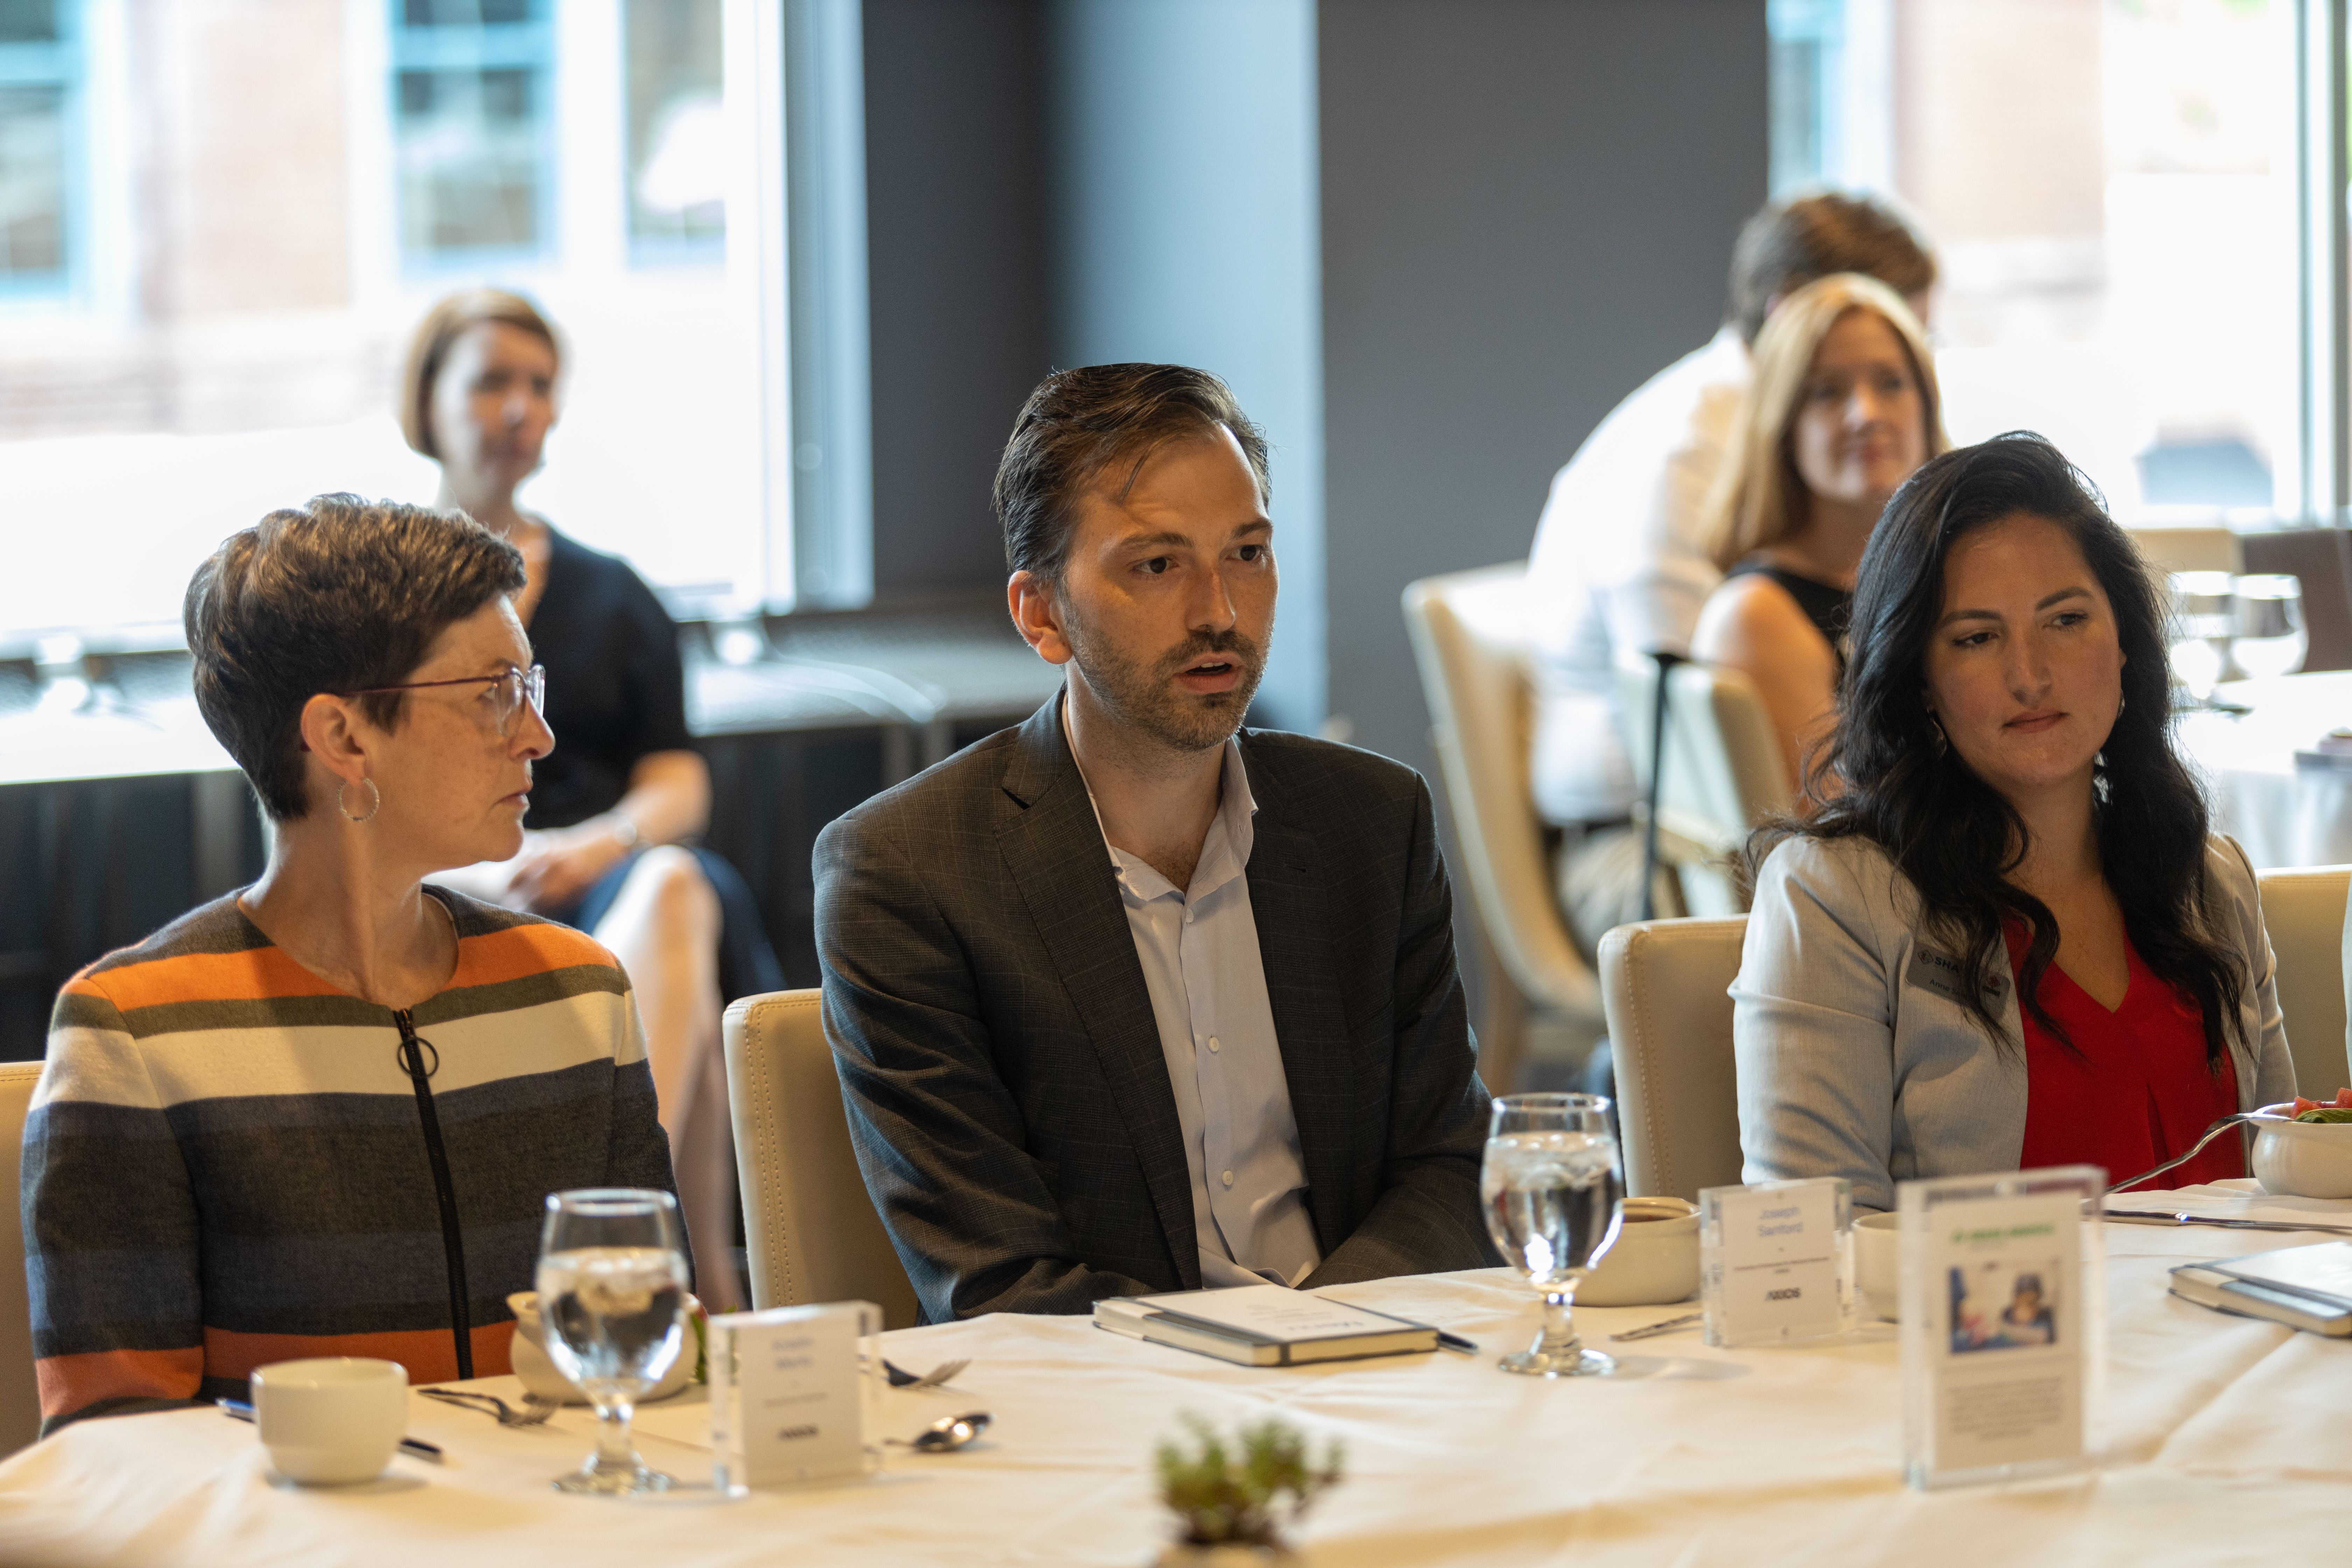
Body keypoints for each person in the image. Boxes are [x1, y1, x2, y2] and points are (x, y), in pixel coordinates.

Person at [814, 364, 1498, 1321]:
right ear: (1041, 614)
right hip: (1114, 1425)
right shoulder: (910, 874)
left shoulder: (1373, 823)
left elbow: (1448, 1164)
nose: (1220, 611)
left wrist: (1316, 1346)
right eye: (1157, 564)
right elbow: (1001, 1282)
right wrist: (1257, 1375)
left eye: (1248, 553)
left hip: (1372, 1372)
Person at [22, 497, 680, 1433]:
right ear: (342, 738)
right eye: (495, 691)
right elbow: (119, 1444)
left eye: (530, 686)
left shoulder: (575, 991)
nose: (538, 735)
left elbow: (660, 1362)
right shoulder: (135, 1031)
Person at [1732, 435, 2295, 1213]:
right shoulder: (1833, 901)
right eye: (1976, 637)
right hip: (1987, 1338)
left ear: (2126, 644)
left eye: (2065, 620)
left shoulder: (2211, 880)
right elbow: (1810, 1238)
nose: (2029, 676)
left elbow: (2285, 1191)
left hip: (2235, 1331)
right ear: (1919, 676)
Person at [401, 290, 780, 1310]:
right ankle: (694, 1284)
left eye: (538, 385)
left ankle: (619, 1249)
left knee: (678, 886)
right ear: (428, 400)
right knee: (664, 915)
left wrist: (595, 844)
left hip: (603, 877)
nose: (519, 408)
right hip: (448, 882)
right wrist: (478, 871)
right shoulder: (376, 594)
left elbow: (678, 780)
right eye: (490, 381)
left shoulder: (616, 595)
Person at [1527, 192, 1937, 953]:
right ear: (1794, 317)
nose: (1869, 412)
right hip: (1658, 848)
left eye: (1903, 364)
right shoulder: (1693, 452)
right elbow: (1729, 775)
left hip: (1750, 843)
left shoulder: (1725, 416)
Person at [1693, 273, 1945, 795]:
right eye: (1827, 392)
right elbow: (1831, 852)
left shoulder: (1949, 575)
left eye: (1891, 383)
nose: (1866, 414)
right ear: (1782, 425)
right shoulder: (1755, 617)